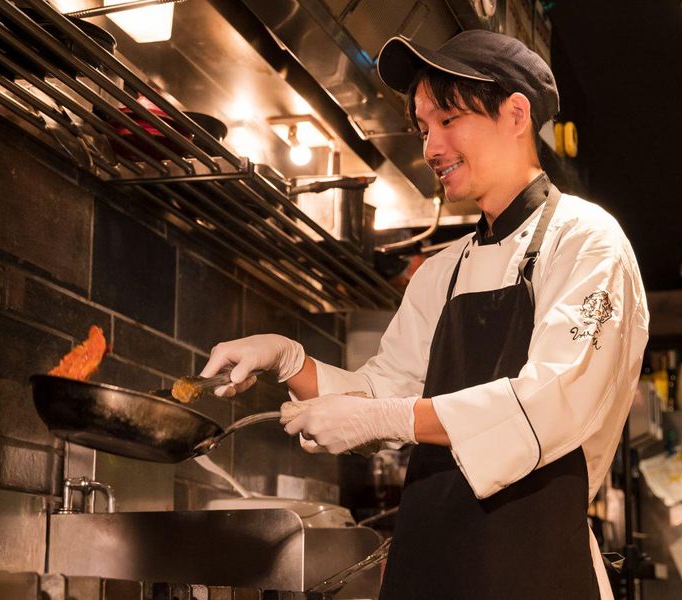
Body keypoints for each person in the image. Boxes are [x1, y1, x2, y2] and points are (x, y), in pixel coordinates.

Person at [201, 29, 648, 599]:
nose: (432, 147)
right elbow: (379, 394)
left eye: (449, 119)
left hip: (537, 571)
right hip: (431, 567)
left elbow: (552, 400)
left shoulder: (586, 241)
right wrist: (289, 362)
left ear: (516, 115)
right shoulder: (442, 271)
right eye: (423, 128)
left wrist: (390, 419)